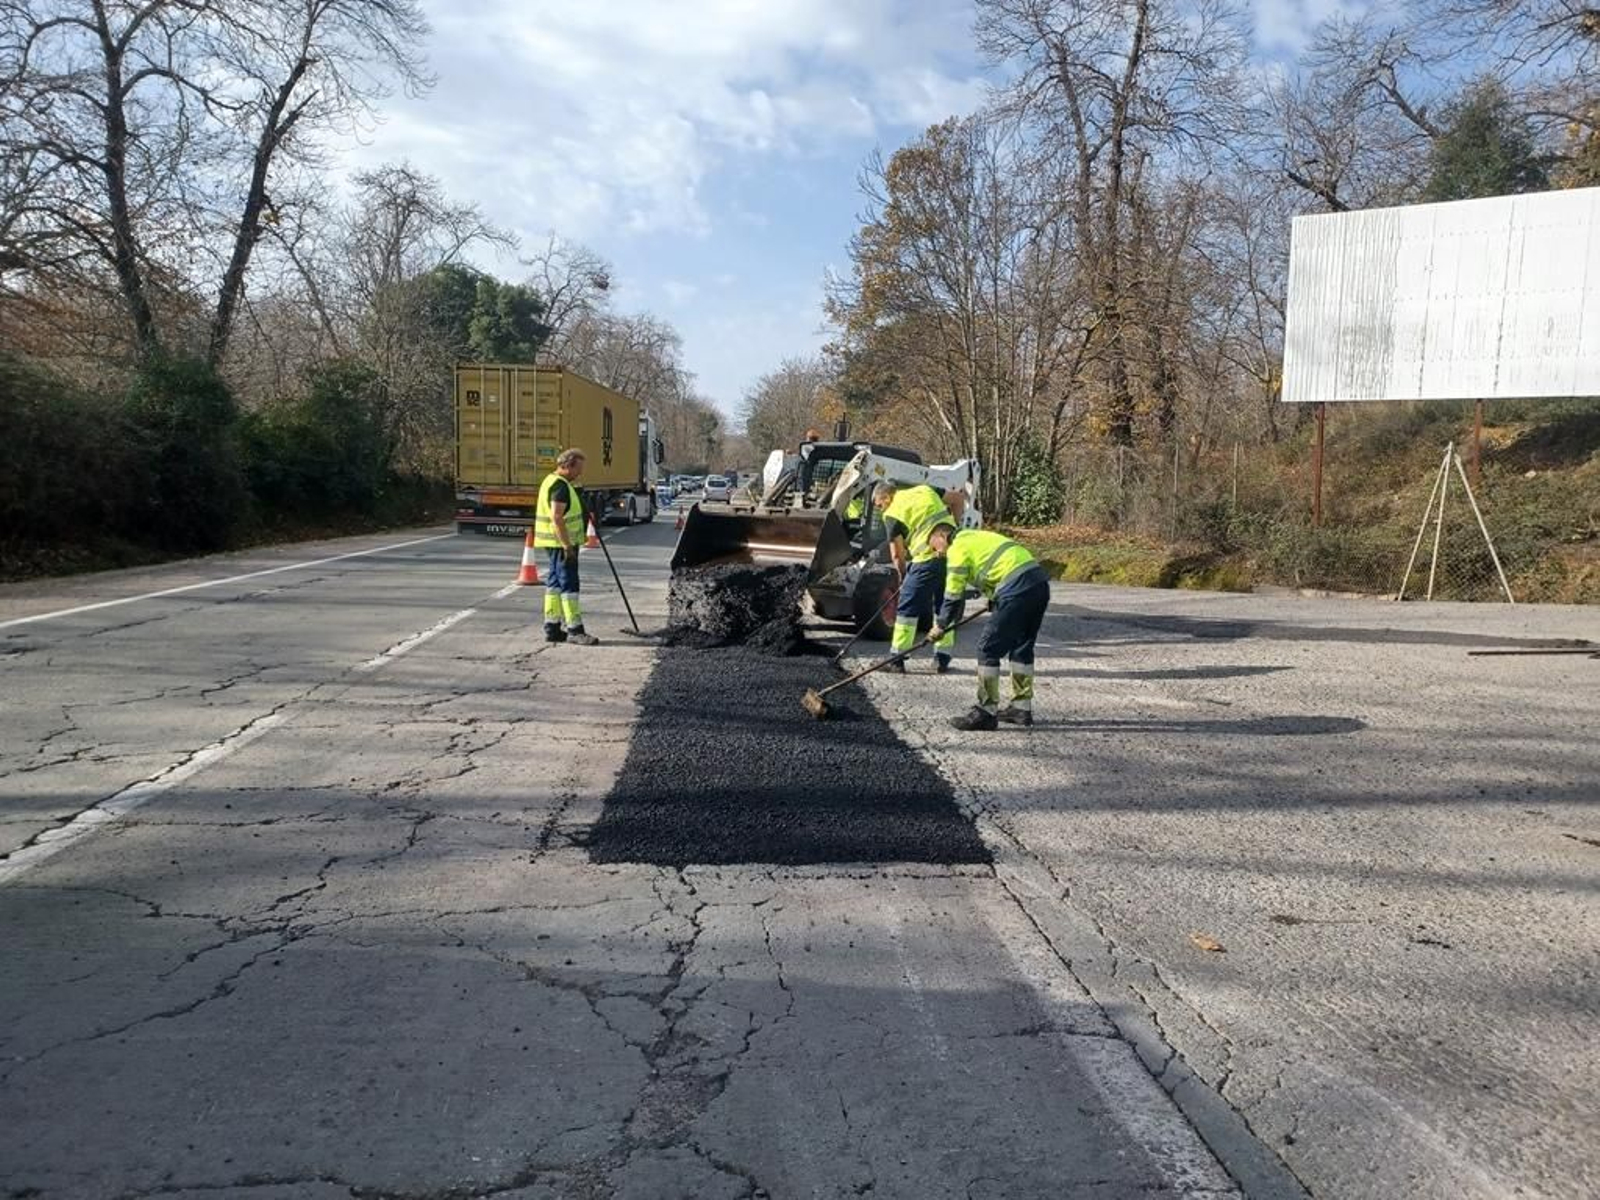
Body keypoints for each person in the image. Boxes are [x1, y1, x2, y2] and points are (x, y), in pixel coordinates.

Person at [927, 524, 1049, 731]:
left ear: (942, 535)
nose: (937, 553)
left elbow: (953, 594)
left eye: (934, 546)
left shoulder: (958, 547)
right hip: (1038, 584)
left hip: (1016, 590)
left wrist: (940, 624)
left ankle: (986, 712)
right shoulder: (977, 536)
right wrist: (996, 597)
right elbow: (996, 565)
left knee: (987, 649)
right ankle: (1021, 708)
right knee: (1021, 647)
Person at [873, 481, 958, 674]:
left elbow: (897, 555)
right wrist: (955, 532)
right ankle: (942, 659)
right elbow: (958, 498)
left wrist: (903, 576)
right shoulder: (926, 489)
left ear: (887, 497)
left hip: (926, 560)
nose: (879, 510)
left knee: (907, 609)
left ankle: (896, 659)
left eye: (879, 505)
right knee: (945, 606)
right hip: (952, 556)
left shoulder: (892, 513)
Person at [533, 448, 600, 646]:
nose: (580, 473)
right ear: (568, 465)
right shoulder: (560, 486)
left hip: (553, 542)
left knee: (554, 584)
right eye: (578, 468)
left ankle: (552, 627)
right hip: (561, 544)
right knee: (569, 584)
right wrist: (567, 546)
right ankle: (575, 629)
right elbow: (557, 517)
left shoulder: (551, 481)